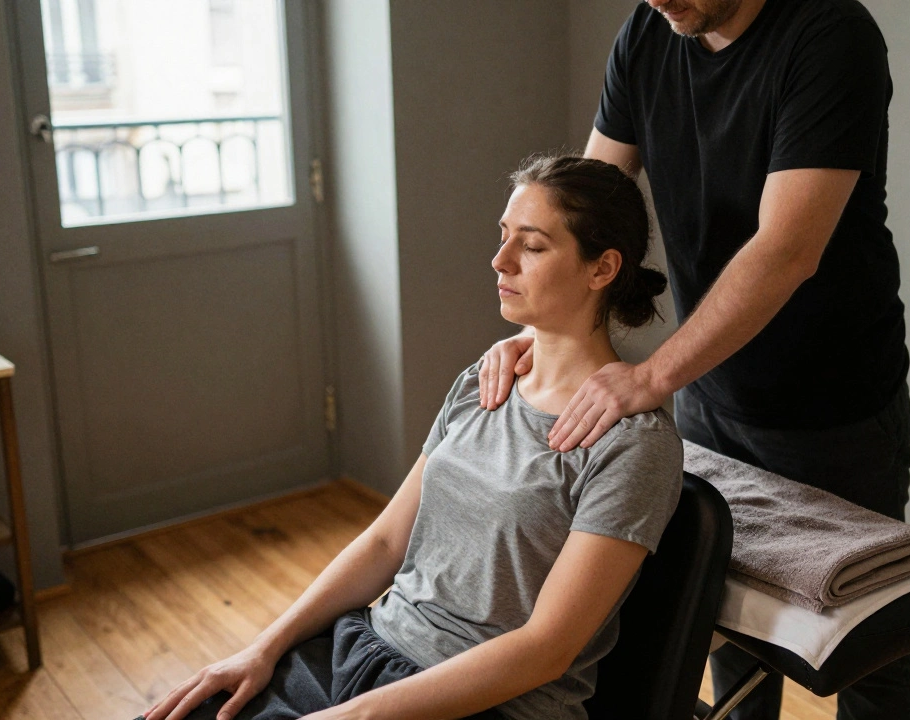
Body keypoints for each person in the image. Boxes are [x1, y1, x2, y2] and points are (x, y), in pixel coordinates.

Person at [478, 1, 910, 718]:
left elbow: (787, 247)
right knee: (723, 627)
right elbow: (588, 205)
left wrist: (652, 375)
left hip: (836, 410)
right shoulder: (650, 31)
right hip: (710, 395)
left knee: (869, 653)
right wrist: (547, 329)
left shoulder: (830, 36)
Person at [138, 155, 683, 720]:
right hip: (369, 654)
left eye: (533, 246)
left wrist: (353, 717)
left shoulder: (633, 445)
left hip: (487, 704)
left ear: (602, 269)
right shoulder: (484, 381)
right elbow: (383, 544)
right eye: (502, 237)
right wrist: (262, 648)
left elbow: (544, 651)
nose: (500, 261)